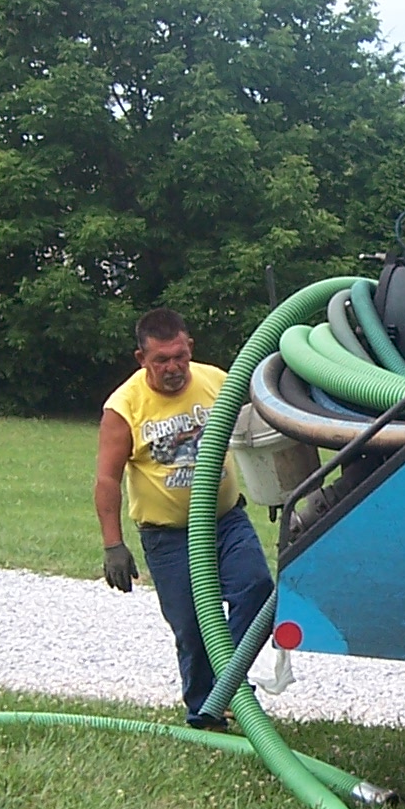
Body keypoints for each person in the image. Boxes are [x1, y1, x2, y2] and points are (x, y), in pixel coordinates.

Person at [96, 307, 274, 727]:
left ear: (190, 347)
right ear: (141, 359)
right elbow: (106, 479)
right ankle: (203, 710)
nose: (173, 368)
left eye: (180, 356)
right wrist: (113, 545)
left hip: (226, 521)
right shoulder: (124, 407)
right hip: (168, 536)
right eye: (161, 360)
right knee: (192, 627)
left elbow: (262, 426)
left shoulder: (218, 381)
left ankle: (225, 687)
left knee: (257, 591)